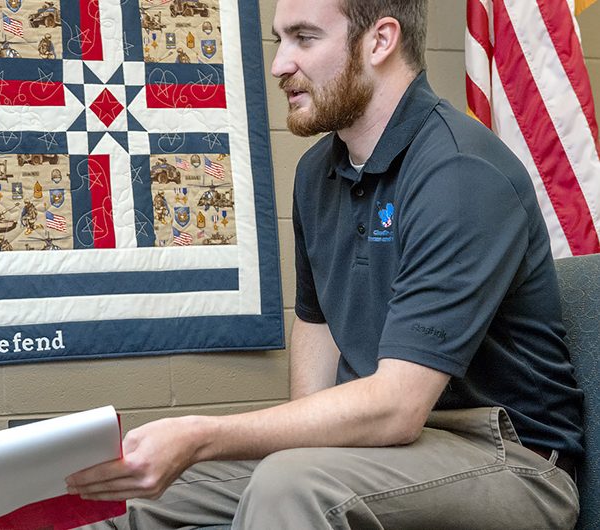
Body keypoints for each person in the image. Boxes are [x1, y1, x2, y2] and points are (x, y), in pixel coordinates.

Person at [67, 0, 583, 528]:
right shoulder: (317, 173)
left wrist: (203, 436)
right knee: (146, 497)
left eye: (305, 38)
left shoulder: (459, 171)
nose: (279, 64)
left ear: (380, 41)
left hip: (508, 461)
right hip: (375, 451)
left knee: (289, 483)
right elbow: (317, 333)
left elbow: (397, 407)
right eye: (280, 40)